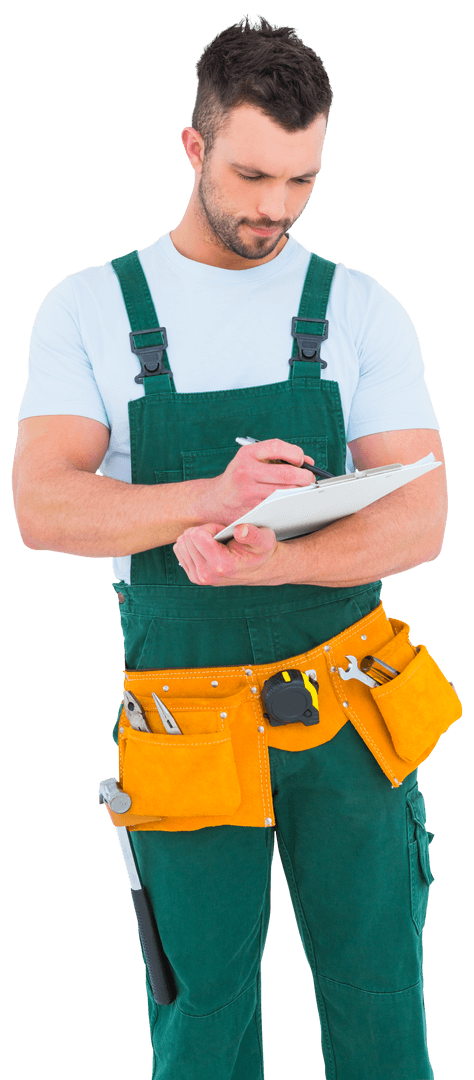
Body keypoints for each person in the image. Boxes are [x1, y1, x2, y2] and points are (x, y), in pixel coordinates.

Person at [12, 14, 448, 1080]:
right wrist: (210, 497)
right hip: (186, 718)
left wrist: (281, 556)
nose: (275, 209)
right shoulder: (92, 309)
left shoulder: (359, 308)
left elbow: (423, 519)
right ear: (195, 147)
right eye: (254, 174)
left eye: (303, 181)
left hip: (350, 708)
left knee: (382, 999)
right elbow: (42, 506)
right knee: (202, 1018)